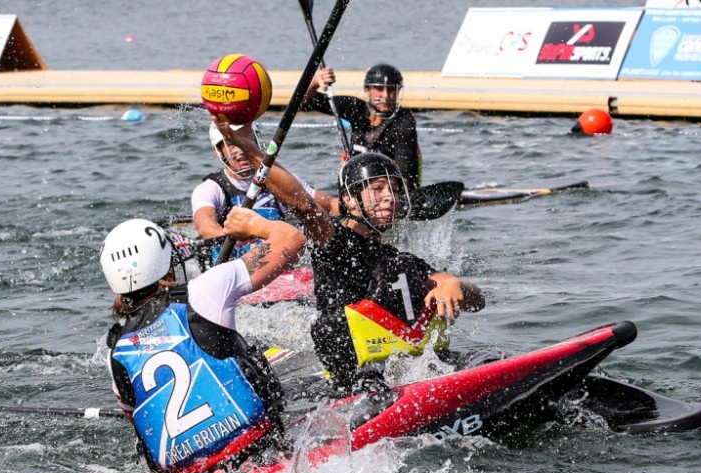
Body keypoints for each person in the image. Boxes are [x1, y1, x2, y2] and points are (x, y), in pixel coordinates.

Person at [216, 121, 484, 395]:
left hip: (400, 367)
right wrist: (250, 148)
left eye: (393, 189)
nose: (390, 198)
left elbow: (478, 300)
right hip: (351, 375)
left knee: (402, 266)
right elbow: (301, 203)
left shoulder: (397, 258)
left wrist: (453, 283)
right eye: (377, 189)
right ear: (350, 199)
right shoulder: (333, 241)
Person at [99, 208, 306, 473]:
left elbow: (139, 421)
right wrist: (254, 224)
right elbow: (292, 238)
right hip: (260, 453)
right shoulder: (204, 290)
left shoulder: (115, 350)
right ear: (166, 262)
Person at [191, 121, 336, 270]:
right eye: (231, 144)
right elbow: (205, 226)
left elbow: (329, 204)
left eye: (243, 140)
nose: (240, 149)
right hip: (236, 270)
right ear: (219, 152)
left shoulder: (279, 181)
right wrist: (235, 236)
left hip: (277, 269)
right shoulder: (210, 188)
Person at [302, 63, 422, 192]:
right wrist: (314, 81)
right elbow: (304, 103)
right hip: (356, 188)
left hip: (392, 192)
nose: (386, 96)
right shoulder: (356, 109)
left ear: (398, 91)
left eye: (392, 90)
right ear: (367, 89)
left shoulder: (404, 122)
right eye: (379, 89)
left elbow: (405, 175)